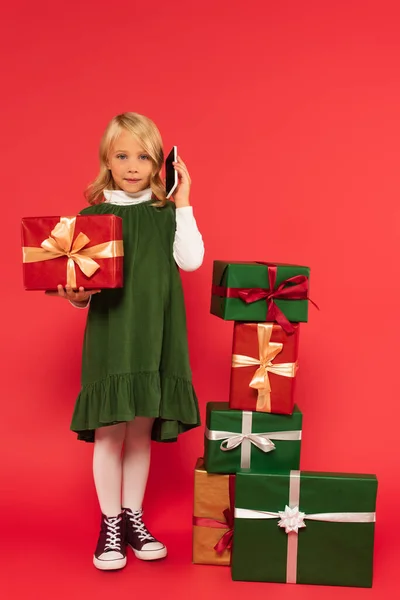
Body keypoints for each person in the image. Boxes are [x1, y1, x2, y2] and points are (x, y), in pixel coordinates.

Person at [52, 112, 204, 570]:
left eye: (144, 156)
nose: (133, 165)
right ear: (107, 161)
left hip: (156, 335)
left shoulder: (165, 214)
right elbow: (82, 286)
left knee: (140, 433)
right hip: (113, 334)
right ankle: (110, 523)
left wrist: (184, 201)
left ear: (160, 163)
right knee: (110, 431)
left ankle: (134, 517)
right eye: (123, 155)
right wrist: (76, 298)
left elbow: (192, 260)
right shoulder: (92, 218)